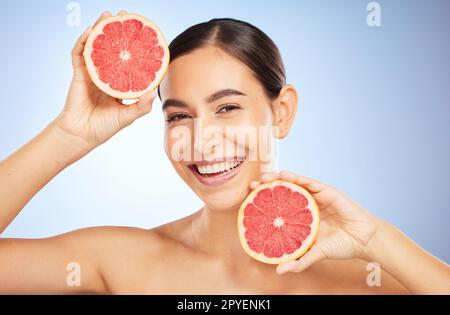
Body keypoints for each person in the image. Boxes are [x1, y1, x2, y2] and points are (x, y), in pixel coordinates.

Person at [0, 11, 449, 294]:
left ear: (282, 111)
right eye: (178, 116)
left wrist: (377, 242)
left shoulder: (374, 276)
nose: (201, 139)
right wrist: (69, 135)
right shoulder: (116, 261)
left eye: (228, 107)